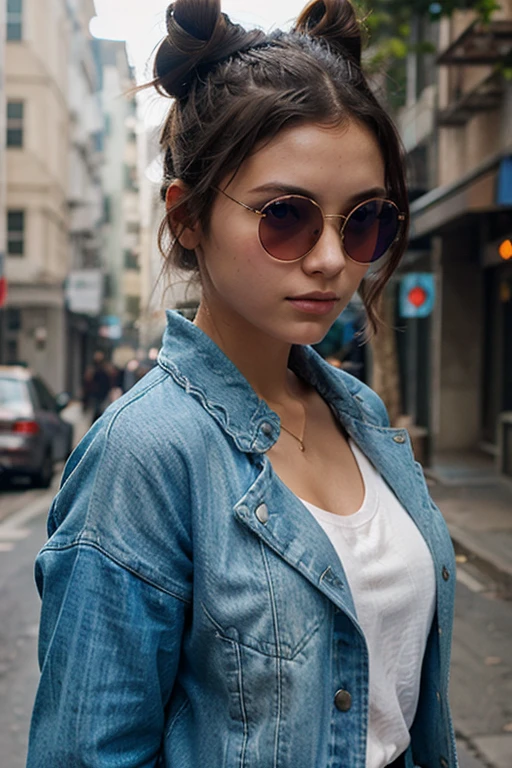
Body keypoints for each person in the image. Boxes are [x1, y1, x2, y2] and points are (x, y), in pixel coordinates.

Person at [26, 2, 458, 767]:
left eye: (363, 222)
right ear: (187, 217)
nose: (331, 259)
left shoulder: (359, 414)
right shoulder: (146, 456)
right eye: (285, 216)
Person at [81, 350, 113, 424]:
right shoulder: (92, 370)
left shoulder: (104, 370)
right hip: (94, 395)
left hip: (101, 395)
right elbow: (87, 383)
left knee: (99, 412)